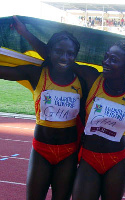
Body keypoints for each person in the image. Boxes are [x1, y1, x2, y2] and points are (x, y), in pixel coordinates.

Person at [13, 16, 125, 199]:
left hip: (116, 159)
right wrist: (25, 33)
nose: (106, 62)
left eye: (114, 59)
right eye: (106, 57)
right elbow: (57, 58)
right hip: (88, 158)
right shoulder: (92, 77)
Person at [0, 30, 83, 199]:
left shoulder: (82, 79)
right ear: (49, 51)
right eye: (58, 51)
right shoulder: (37, 73)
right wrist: (22, 31)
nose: (64, 58)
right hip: (41, 151)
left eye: (70, 53)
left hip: (68, 152)